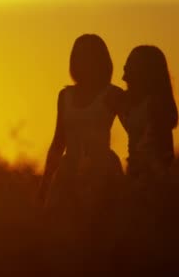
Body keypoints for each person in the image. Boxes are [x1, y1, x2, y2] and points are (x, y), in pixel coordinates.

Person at [38, 34, 124, 218]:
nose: (83, 61)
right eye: (79, 55)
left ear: (101, 60)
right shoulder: (65, 96)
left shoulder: (113, 94)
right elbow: (58, 142)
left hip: (103, 170)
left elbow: (136, 129)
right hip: (69, 170)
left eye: (90, 55)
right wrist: (45, 183)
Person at [119, 45, 177, 181]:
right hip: (136, 173)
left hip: (153, 177)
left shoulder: (157, 105)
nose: (123, 78)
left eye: (129, 71)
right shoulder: (128, 102)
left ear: (144, 72)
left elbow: (165, 152)